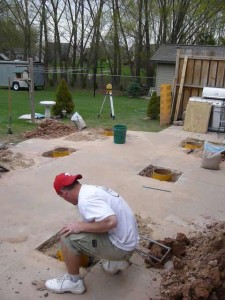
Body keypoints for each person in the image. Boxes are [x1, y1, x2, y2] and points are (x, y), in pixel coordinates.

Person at [45, 172, 139, 294]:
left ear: (64, 193)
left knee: (67, 236)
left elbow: (111, 222)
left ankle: (73, 282)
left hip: (121, 247)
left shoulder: (86, 200)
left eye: (61, 197)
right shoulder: (90, 190)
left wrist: (80, 226)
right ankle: (116, 262)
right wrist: (82, 226)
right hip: (129, 240)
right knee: (84, 226)